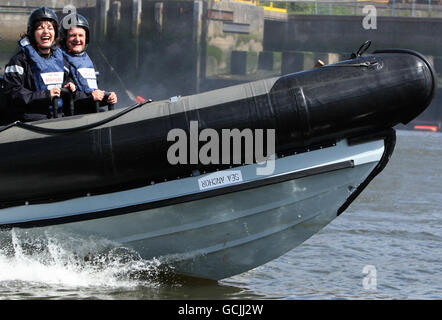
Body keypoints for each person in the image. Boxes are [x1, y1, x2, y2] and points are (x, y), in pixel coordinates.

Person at [2, 7, 77, 122]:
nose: (46, 31)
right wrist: (46, 95)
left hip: (58, 118)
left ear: (55, 32)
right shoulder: (19, 61)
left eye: (50, 28)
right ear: (32, 32)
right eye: (40, 27)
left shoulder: (61, 59)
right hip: (31, 121)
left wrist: (69, 84)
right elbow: (13, 92)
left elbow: (66, 79)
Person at [59, 13, 117, 114]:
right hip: (70, 117)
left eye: (81, 35)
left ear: (86, 38)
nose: (77, 39)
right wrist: (89, 98)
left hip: (90, 111)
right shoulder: (58, 61)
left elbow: (93, 92)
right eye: (73, 35)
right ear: (65, 38)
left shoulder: (88, 61)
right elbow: (64, 97)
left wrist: (107, 97)